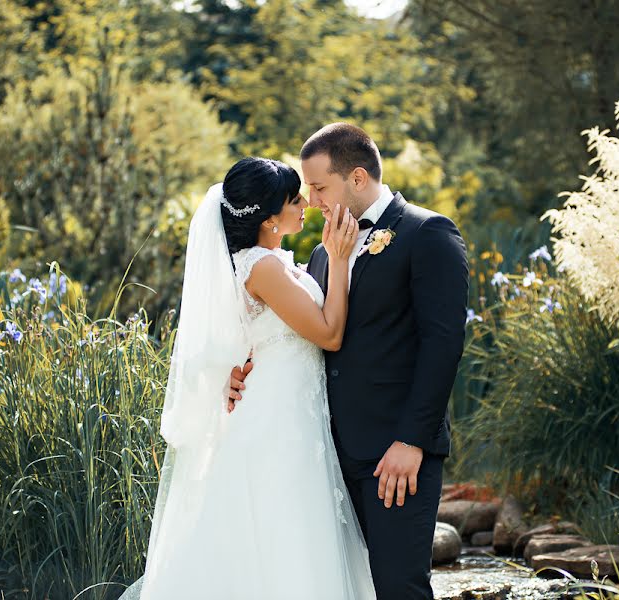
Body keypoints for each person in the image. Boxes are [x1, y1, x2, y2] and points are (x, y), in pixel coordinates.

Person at [230, 123, 470, 599]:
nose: (312, 200)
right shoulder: (323, 254)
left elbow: (443, 345)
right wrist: (243, 373)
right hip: (323, 455)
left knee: (400, 587)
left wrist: (412, 441)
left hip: (393, 456)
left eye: (319, 187)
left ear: (357, 178)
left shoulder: (427, 233)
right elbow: (307, 337)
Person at [120, 157, 376, 600]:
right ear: (268, 219)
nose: (304, 205)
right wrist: (337, 259)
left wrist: (232, 371)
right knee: (282, 539)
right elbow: (330, 334)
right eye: (293, 199)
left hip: (290, 416)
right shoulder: (262, 268)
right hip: (277, 428)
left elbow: (237, 337)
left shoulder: (270, 261)